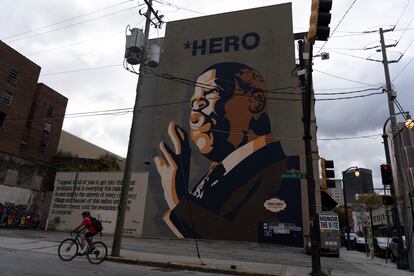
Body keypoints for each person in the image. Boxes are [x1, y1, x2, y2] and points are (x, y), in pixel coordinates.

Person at [154, 62, 302, 243]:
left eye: (211, 93)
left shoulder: (289, 171)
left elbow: (246, 239)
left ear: (256, 102)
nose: (195, 114)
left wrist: (177, 197)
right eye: (193, 103)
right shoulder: (212, 175)